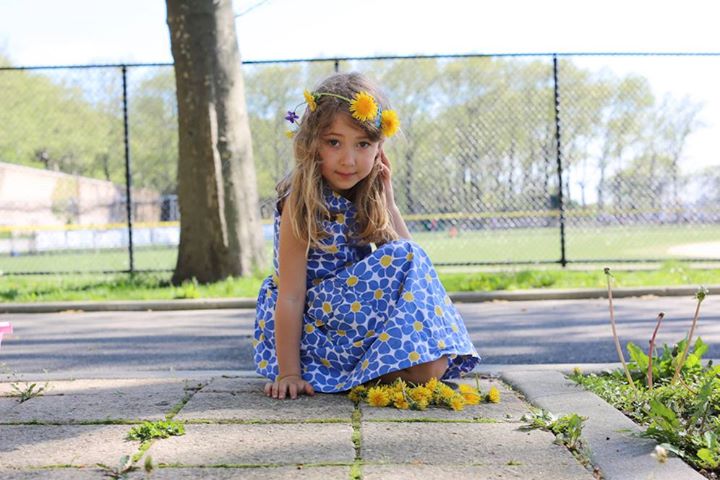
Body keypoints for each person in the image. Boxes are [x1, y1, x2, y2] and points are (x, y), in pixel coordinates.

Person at [254, 72, 480, 400]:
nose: (348, 160)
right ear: (312, 143)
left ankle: (354, 374)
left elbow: (412, 278)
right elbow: (289, 295)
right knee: (408, 255)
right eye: (334, 142)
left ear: (379, 149)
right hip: (315, 327)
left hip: (354, 320)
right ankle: (334, 371)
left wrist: (389, 203)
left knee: (432, 369)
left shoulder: (367, 194)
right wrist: (289, 373)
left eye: (363, 144)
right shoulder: (301, 201)